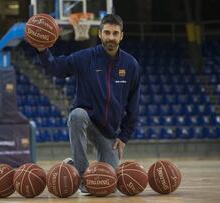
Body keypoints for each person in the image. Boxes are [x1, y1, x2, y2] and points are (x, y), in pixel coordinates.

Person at [36, 14, 141, 195]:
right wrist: (42, 51)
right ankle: (81, 174)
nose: (111, 37)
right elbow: (56, 68)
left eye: (115, 33)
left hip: (108, 130)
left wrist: (124, 136)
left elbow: (133, 104)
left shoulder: (131, 65)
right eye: (107, 32)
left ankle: (70, 165)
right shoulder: (85, 58)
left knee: (108, 185)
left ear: (121, 36)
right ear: (100, 34)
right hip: (87, 119)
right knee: (77, 115)